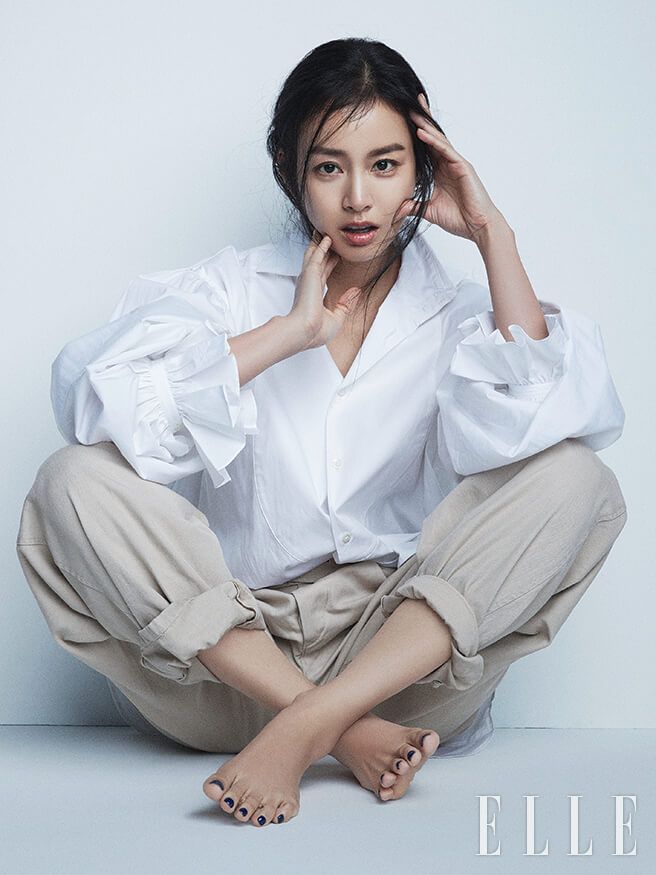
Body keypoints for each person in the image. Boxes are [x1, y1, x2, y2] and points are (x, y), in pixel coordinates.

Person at [15, 37, 628, 829]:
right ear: (290, 169)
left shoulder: (459, 315)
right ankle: (331, 724)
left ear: (422, 169)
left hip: (397, 674)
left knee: (578, 477)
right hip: (226, 671)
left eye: (386, 164)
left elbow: (552, 416)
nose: (359, 199)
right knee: (72, 479)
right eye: (329, 167)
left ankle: (313, 721)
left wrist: (491, 234)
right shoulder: (229, 290)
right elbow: (95, 399)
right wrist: (289, 333)